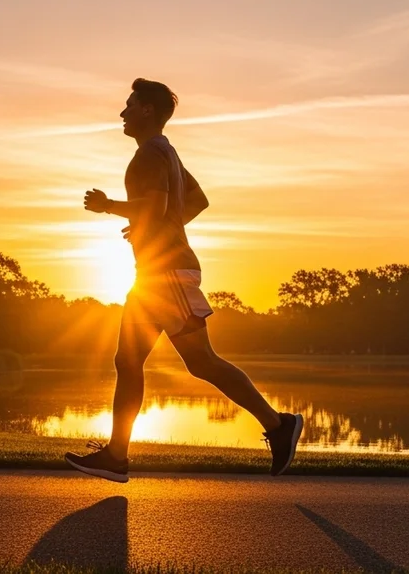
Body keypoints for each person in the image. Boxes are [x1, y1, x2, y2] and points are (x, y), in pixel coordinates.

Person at [65, 78, 303, 483]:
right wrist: (156, 226)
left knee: (198, 361)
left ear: (148, 110)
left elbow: (156, 208)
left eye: (129, 105)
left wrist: (109, 206)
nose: (122, 113)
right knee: (133, 361)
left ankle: (279, 425)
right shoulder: (166, 152)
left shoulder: (150, 154)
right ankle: (116, 455)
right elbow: (195, 200)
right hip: (156, 274)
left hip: (166, 273)